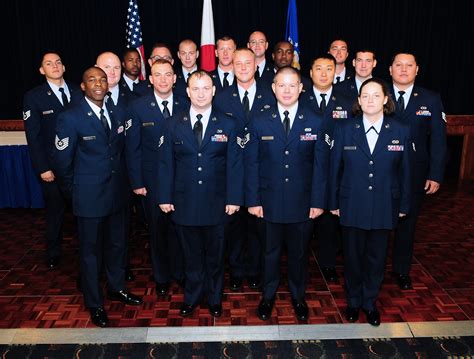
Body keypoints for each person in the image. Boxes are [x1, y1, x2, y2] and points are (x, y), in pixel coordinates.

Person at [54, 67, 142, 328]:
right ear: (82, 86)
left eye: (102, 79)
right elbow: (62, 165)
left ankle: (116, 287)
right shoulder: (70, 118)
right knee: (91, 255)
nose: (98, 84)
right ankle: (94, 303)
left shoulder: (115, 112)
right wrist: (76, 194)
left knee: (117, 247)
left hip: (117, 196)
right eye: (91, 79)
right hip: (89, 199)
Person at [158, 70, 243, 318]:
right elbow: (165, 163)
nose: (201, 94)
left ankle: (215, 297)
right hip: (183, 202)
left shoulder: (228, 123)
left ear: (214, 91)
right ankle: (192, 296)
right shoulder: (172, 123)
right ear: (187, 92)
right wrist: (164, 196)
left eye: (206, 88)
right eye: (196, 89)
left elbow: (235, 164)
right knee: (191, 256)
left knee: (216, 256)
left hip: (217, 203)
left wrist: (234, 198)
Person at [245, 66, 327, 321]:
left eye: (293, 85)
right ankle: (267, 296)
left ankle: (297, 296)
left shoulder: (316, 120)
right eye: (282, 85)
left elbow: (321, 166)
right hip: (267, 202)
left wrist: (318, 201)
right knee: (269, 253)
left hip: (303, 204)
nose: (287, 90)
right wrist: (253, 200)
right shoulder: (259, 120)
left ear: (302, 88)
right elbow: (252, 164)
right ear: (273, 88)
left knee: (299, 253)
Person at [329, 78, 411, 326]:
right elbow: (335, 170)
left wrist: (404, 205)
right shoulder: (345, 130)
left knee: (376, 259)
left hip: (385, 205)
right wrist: (333, 201)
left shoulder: (400, 131)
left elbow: (406, 172)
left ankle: (369, 302)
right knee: (353, 258)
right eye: (365, 96)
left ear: (386, 100)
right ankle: (353, 301)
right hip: (352, 204)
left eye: (376, 96)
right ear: (359, 100)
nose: (370, 100)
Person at [214, 48, 276, 291]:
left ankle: (256, 270)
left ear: (255, 65)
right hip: (230, 172)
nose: (242, 67)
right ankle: (237, 270)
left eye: (247, 63)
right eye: (237, 63)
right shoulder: (220, 96)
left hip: (262, 172)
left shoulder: (269, 94)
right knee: (234, 228)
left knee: (259, 229)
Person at [126, 59, 188, 297]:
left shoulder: (186, 103)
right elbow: (132, 148)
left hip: (181, 181)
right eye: (157, 75)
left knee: (179, 229)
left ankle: (179, 273)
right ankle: (161, 276)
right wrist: (137, 182)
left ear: (175, 78)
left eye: (168, 74)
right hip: (151, 182)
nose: (163, 79)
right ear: (150, 79)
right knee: (157, 231)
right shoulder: (138, 107)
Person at [389, 52, 447, 290]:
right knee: (378, 224)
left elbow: (438, 141)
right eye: (398, 65)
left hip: (414, 174)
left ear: (417, 69)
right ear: (390, 69)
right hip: (382, 173)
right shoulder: (376, 93)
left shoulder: (430, 99)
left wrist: (435, 174)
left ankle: (401, 270)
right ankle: (373, 269)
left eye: (409, 65)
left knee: (407, 224)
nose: (403, 69)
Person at [23, 51, 82, 270]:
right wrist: (43, 168)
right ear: (42, 70)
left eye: (58, 62)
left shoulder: (78, 91)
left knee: (82, 211)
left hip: (79, 166)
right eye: (49, 63)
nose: (55, 66)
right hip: (53, 168)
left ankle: (85, 250)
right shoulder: (34, 97)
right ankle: (53, 252)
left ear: (64, 67)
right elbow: (34, 136)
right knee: (55, 211)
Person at [300, 53, 353, 284]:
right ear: (310, 73)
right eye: (318, 68)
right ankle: (299, 264)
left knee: (330, 220)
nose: (323, 73)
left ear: (336, 72)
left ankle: (328, 263)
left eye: (329, 69)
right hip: (303, 170)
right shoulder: (298, 99)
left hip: (335, 169)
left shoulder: (348, 101)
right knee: (302, 221)